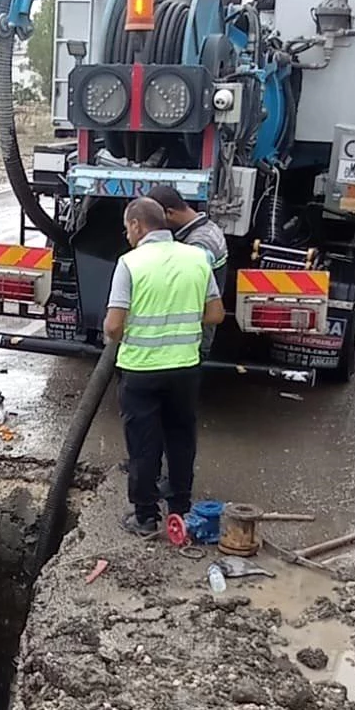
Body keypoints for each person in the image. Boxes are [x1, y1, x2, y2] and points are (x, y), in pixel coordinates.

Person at [104, 197, 224, 537]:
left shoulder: (130, 263)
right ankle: (180, 510)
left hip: (141, 370)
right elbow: (216, 314)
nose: (126, 233)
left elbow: (114, 327)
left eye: (128, 226)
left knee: (144, 444)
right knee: (181, 438)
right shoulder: (198, 259)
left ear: (138, 226)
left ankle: (145, 516)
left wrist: (125, 329)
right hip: (185, 369)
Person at [149, 183, 227, 356]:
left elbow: (185, 290)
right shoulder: (209, 228)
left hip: (191, 338)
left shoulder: (199, 245)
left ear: (169, 213)